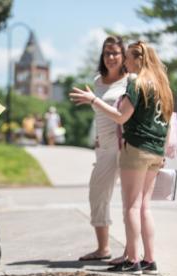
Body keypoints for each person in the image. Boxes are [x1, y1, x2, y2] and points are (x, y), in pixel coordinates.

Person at [70, 41, 174, 275]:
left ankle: (133, 261)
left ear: (138, 59)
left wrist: (93, 100)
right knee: (145, 207)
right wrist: (164, 151)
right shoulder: (162, 85)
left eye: (127, 57)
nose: (125, 62)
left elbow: (121, 116)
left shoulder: (137, 82)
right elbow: (168, 124)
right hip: (156, 152)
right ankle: (149, 260)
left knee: (131, 207)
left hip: (136, 149)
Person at [78, 36, 128, 263]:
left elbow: (123, 115)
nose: (110, 57)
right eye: (107, 53)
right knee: (97, 194)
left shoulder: (131, 81)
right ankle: (103, 248)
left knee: (130, 200)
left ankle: (132, 252)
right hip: (104, 147)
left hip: (125, 146)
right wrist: (96, 137)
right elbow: (100, 116)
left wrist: (93, 100)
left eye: (115, 53)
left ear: (123, 55)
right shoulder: (98, 81)